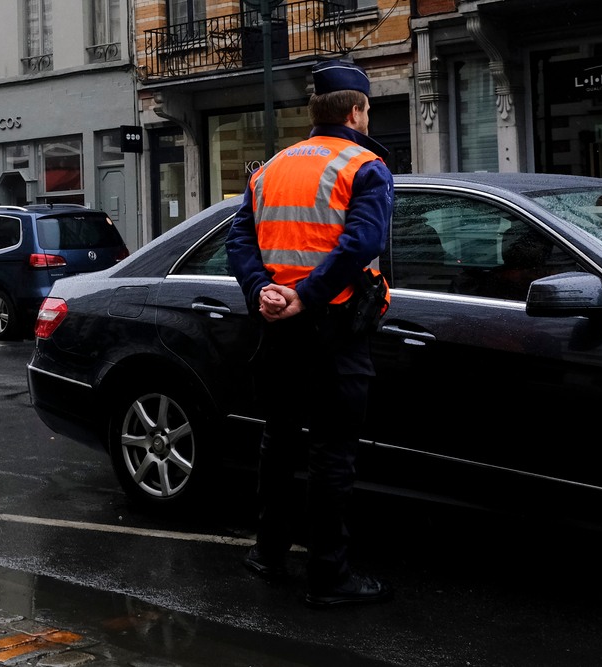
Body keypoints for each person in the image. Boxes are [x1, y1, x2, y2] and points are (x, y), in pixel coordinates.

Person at [225, 58, 394, 608]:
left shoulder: (270, 168)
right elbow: (362, 242)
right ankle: (329, 576)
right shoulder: (364, 165)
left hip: (279, 329)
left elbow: (239, 242)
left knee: (278, 442)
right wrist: (309, 295)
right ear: (355, 111)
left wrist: (263, 291)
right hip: (333, 329)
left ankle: (268, 553)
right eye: (366, 110)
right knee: (331, 452)